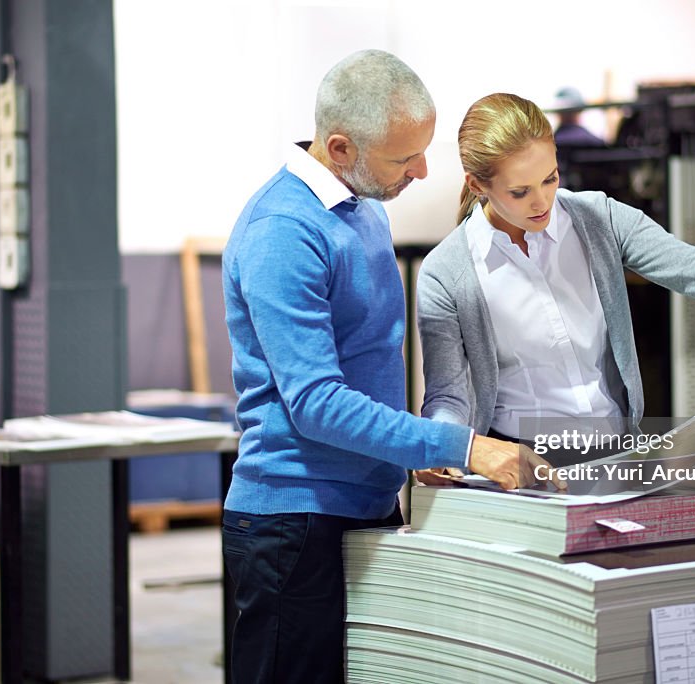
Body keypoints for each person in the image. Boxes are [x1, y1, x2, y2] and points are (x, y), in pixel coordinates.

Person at [221, 56, 560, 684]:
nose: (423, 171)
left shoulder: (362, 204)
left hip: (365, 508)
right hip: (296, 526)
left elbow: (368, 365)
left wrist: (416, 450)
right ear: (341, 146)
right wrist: (464, 446)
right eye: (405, 158)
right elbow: (317, 403)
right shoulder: (282, 232)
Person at [415, 92, 695, 473]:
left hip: (616, 458)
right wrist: (445, 450)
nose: (542, 201)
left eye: (551, 178)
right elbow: (447, 395)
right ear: (478, 186)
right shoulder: (447, 272)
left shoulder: (599, 219)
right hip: (521, 468)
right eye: (520, 191)